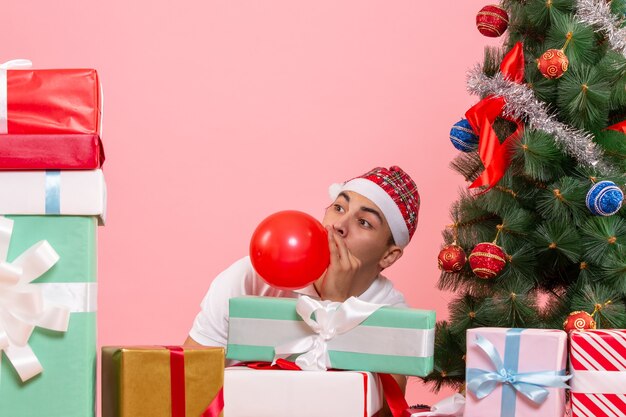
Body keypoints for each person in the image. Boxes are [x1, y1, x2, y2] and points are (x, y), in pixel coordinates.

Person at [185, 165, 420, 415]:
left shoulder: (392, 317)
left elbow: (382, 412)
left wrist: (333, 306)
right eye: (339, 207)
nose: (339, 225)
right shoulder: (250, 278)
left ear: (388, 256)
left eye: (364, 222)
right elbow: (189, 379)